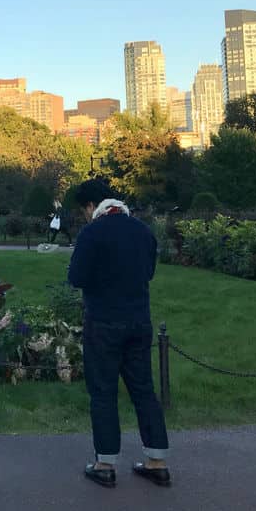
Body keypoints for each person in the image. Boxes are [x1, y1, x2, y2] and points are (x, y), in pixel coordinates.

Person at [68, 178, 171, 489]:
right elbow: (149, 272)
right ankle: (156, 460)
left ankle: (105, 463)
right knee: (143, 390)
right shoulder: (141, 230)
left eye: (84, 210)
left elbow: (76, 277)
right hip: (139, 320)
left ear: (90, 205)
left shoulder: (92, 232)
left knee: (103, 392)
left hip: (103, 320)